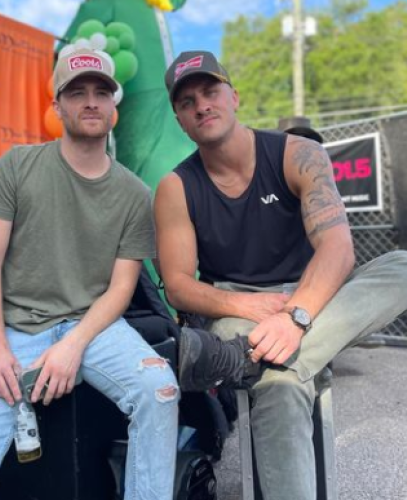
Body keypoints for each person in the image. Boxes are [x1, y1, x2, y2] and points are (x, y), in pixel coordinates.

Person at [0, 46, 179, 500]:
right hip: (16, 330)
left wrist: (73, 345)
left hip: (95, 328)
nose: (90, 101)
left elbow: (122, 287)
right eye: (77, 92)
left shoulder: (135, 193)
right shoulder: (18, 166)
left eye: (101, 92)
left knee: (159, 390)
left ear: (113, 107)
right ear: (57, 105)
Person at [154, 50, 407, 500]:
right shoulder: (175, 187)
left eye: (210, 91)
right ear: (179, 117)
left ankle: (248, 359)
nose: (202, 105)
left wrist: (295, 318)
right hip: (235, 305)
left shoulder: (298, 154)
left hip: (312, 294)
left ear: (234, 96)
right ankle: (264, 357)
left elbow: (337, 248)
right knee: (282, 385)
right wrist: (244, 305)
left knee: (401, 267)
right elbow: (177, 284)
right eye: (187, 101)